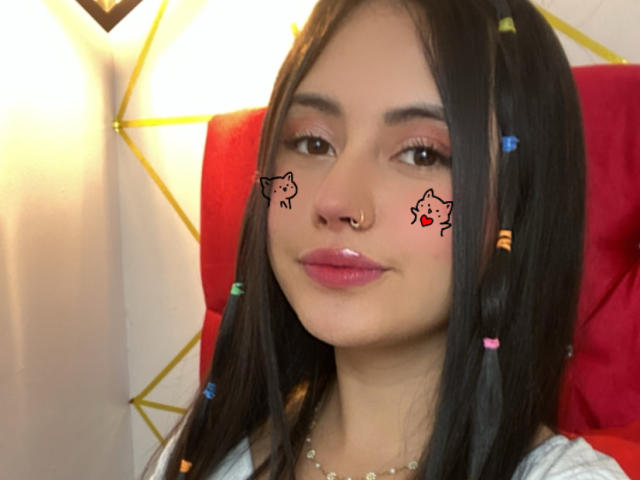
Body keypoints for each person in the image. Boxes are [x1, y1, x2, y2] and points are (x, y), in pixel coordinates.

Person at [144, 0, 630, 479]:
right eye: (313, 142)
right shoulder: (203, 452)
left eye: (422, 155)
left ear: (520, 198)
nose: (335, 200)